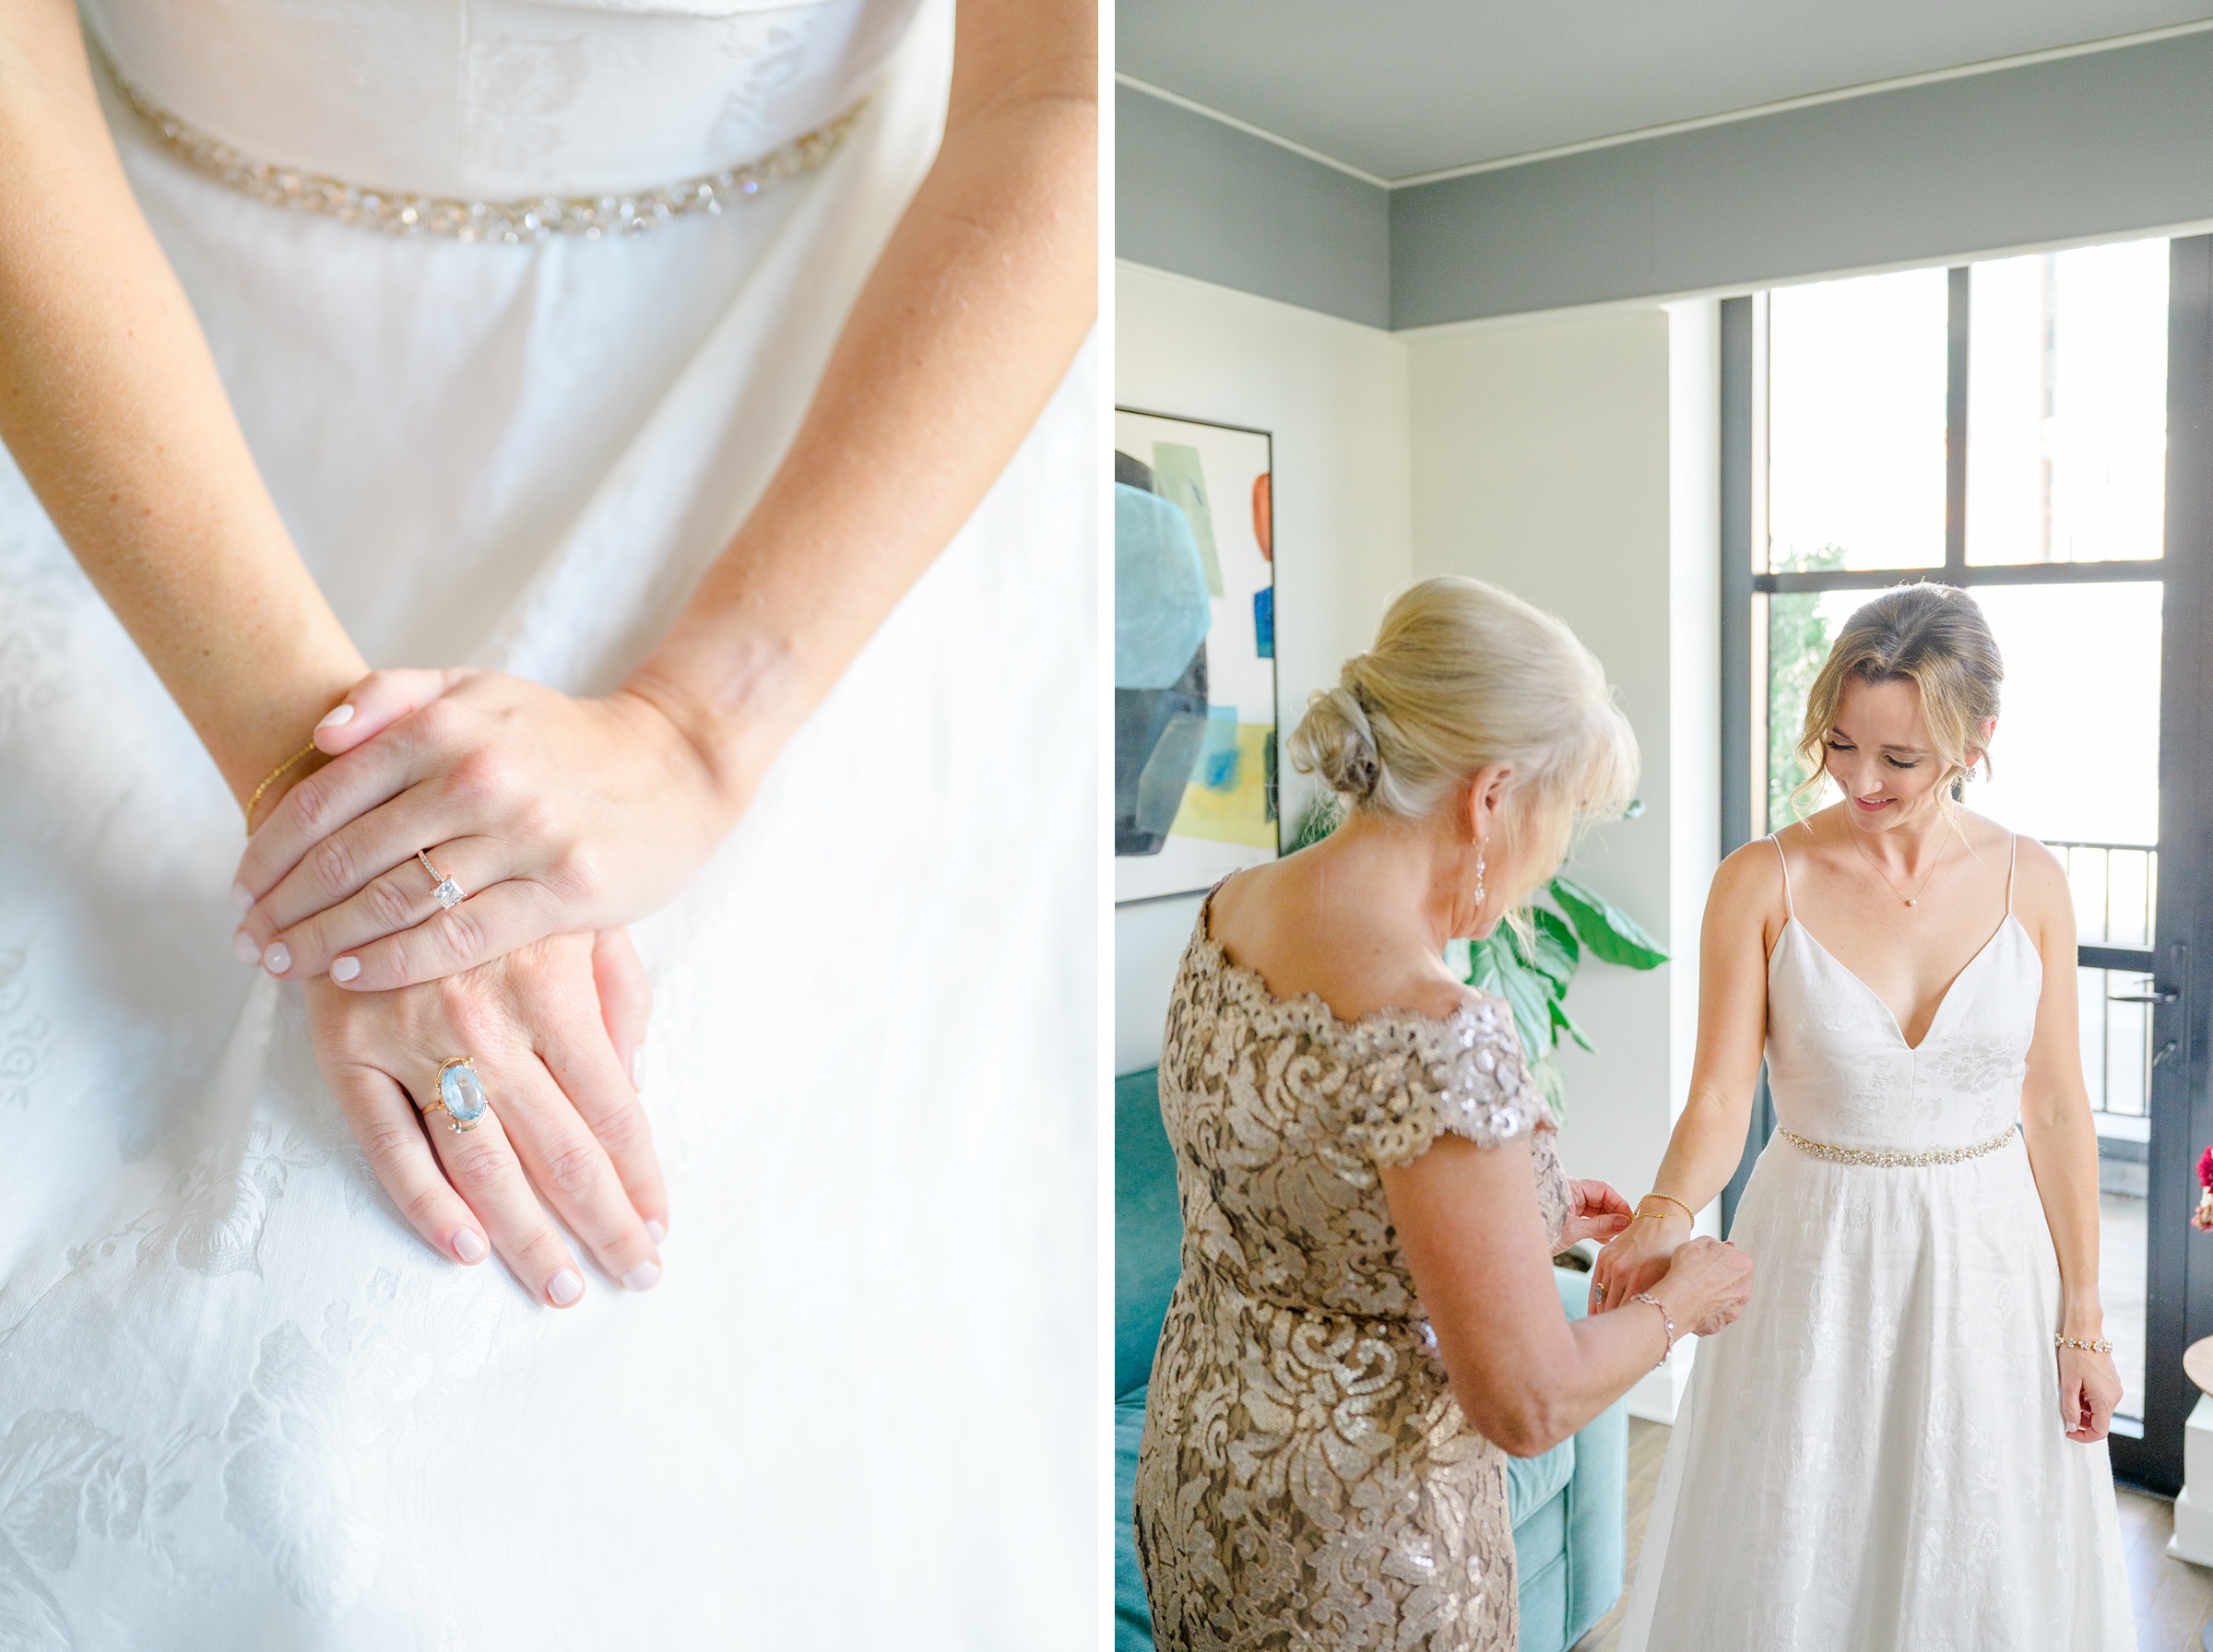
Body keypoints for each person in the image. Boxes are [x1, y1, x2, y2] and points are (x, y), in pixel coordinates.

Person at [0, 0, 1094, 1641]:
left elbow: (1062, 96)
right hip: (99, 347)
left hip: (807, 422)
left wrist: (696, 733)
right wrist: (329, 798)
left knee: (469, 1408)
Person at [1133, 576, 1755, 1652]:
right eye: (1564, 818)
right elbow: (1527, 1402)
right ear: (1491, 795)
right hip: (1360, 1545)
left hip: (1202, 1475)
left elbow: (1300, 1179)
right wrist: (1682, 1304)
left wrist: (1530, 1215)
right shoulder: (1439, 1030)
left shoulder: (1234, 909)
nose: (1555, 854)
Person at [1598, 582, 2134, 1649]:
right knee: (1804, 1535)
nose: (1860, 780)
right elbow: (1718, 1097)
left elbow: (2060, 1108)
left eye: (1900, 759)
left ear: (1977, 739)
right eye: (1842, 745)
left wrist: (2082, 1320)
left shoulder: (2036, 883)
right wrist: (1664, 1210)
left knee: (1978, 1541)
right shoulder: (1760, 881)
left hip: (1988, 1260)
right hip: (1813, 1255)